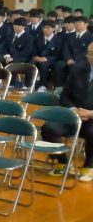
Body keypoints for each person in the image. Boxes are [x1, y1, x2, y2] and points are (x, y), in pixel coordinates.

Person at [42, 43, 93, 182]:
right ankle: (63, 162)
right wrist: (73, 110)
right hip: (72, 115)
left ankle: (89, 165)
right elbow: (64, 96)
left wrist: (90, 114)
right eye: (89, 53)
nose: (91, 57)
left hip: (91, 118)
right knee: (49, 128)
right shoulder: (78, 69)